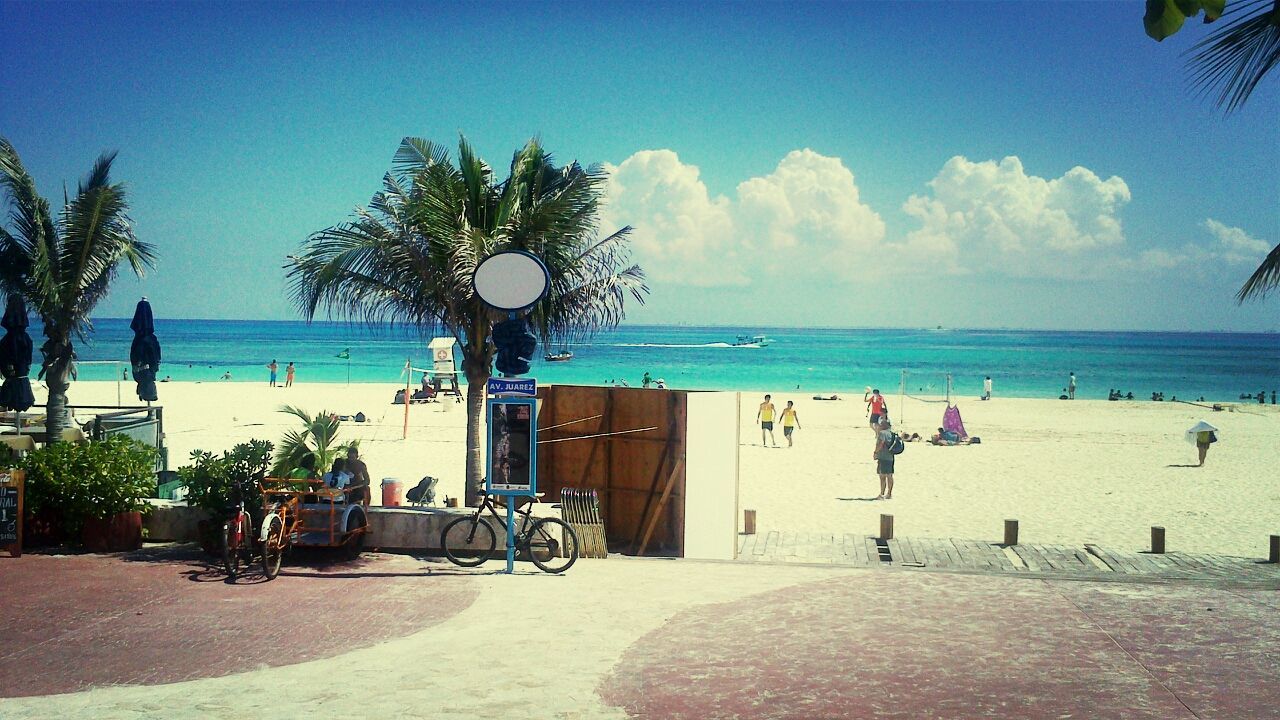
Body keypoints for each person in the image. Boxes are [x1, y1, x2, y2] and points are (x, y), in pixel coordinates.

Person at [873, 419, 895, 500]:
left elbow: (880, 443)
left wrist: (875, 452)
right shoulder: (892, 433)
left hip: (883, 457)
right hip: (891, 457)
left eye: (881, 424)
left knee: (882, 476)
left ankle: (882, 494)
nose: (880, 425)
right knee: (890, 475)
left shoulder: (882, 433)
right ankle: (889, 494)